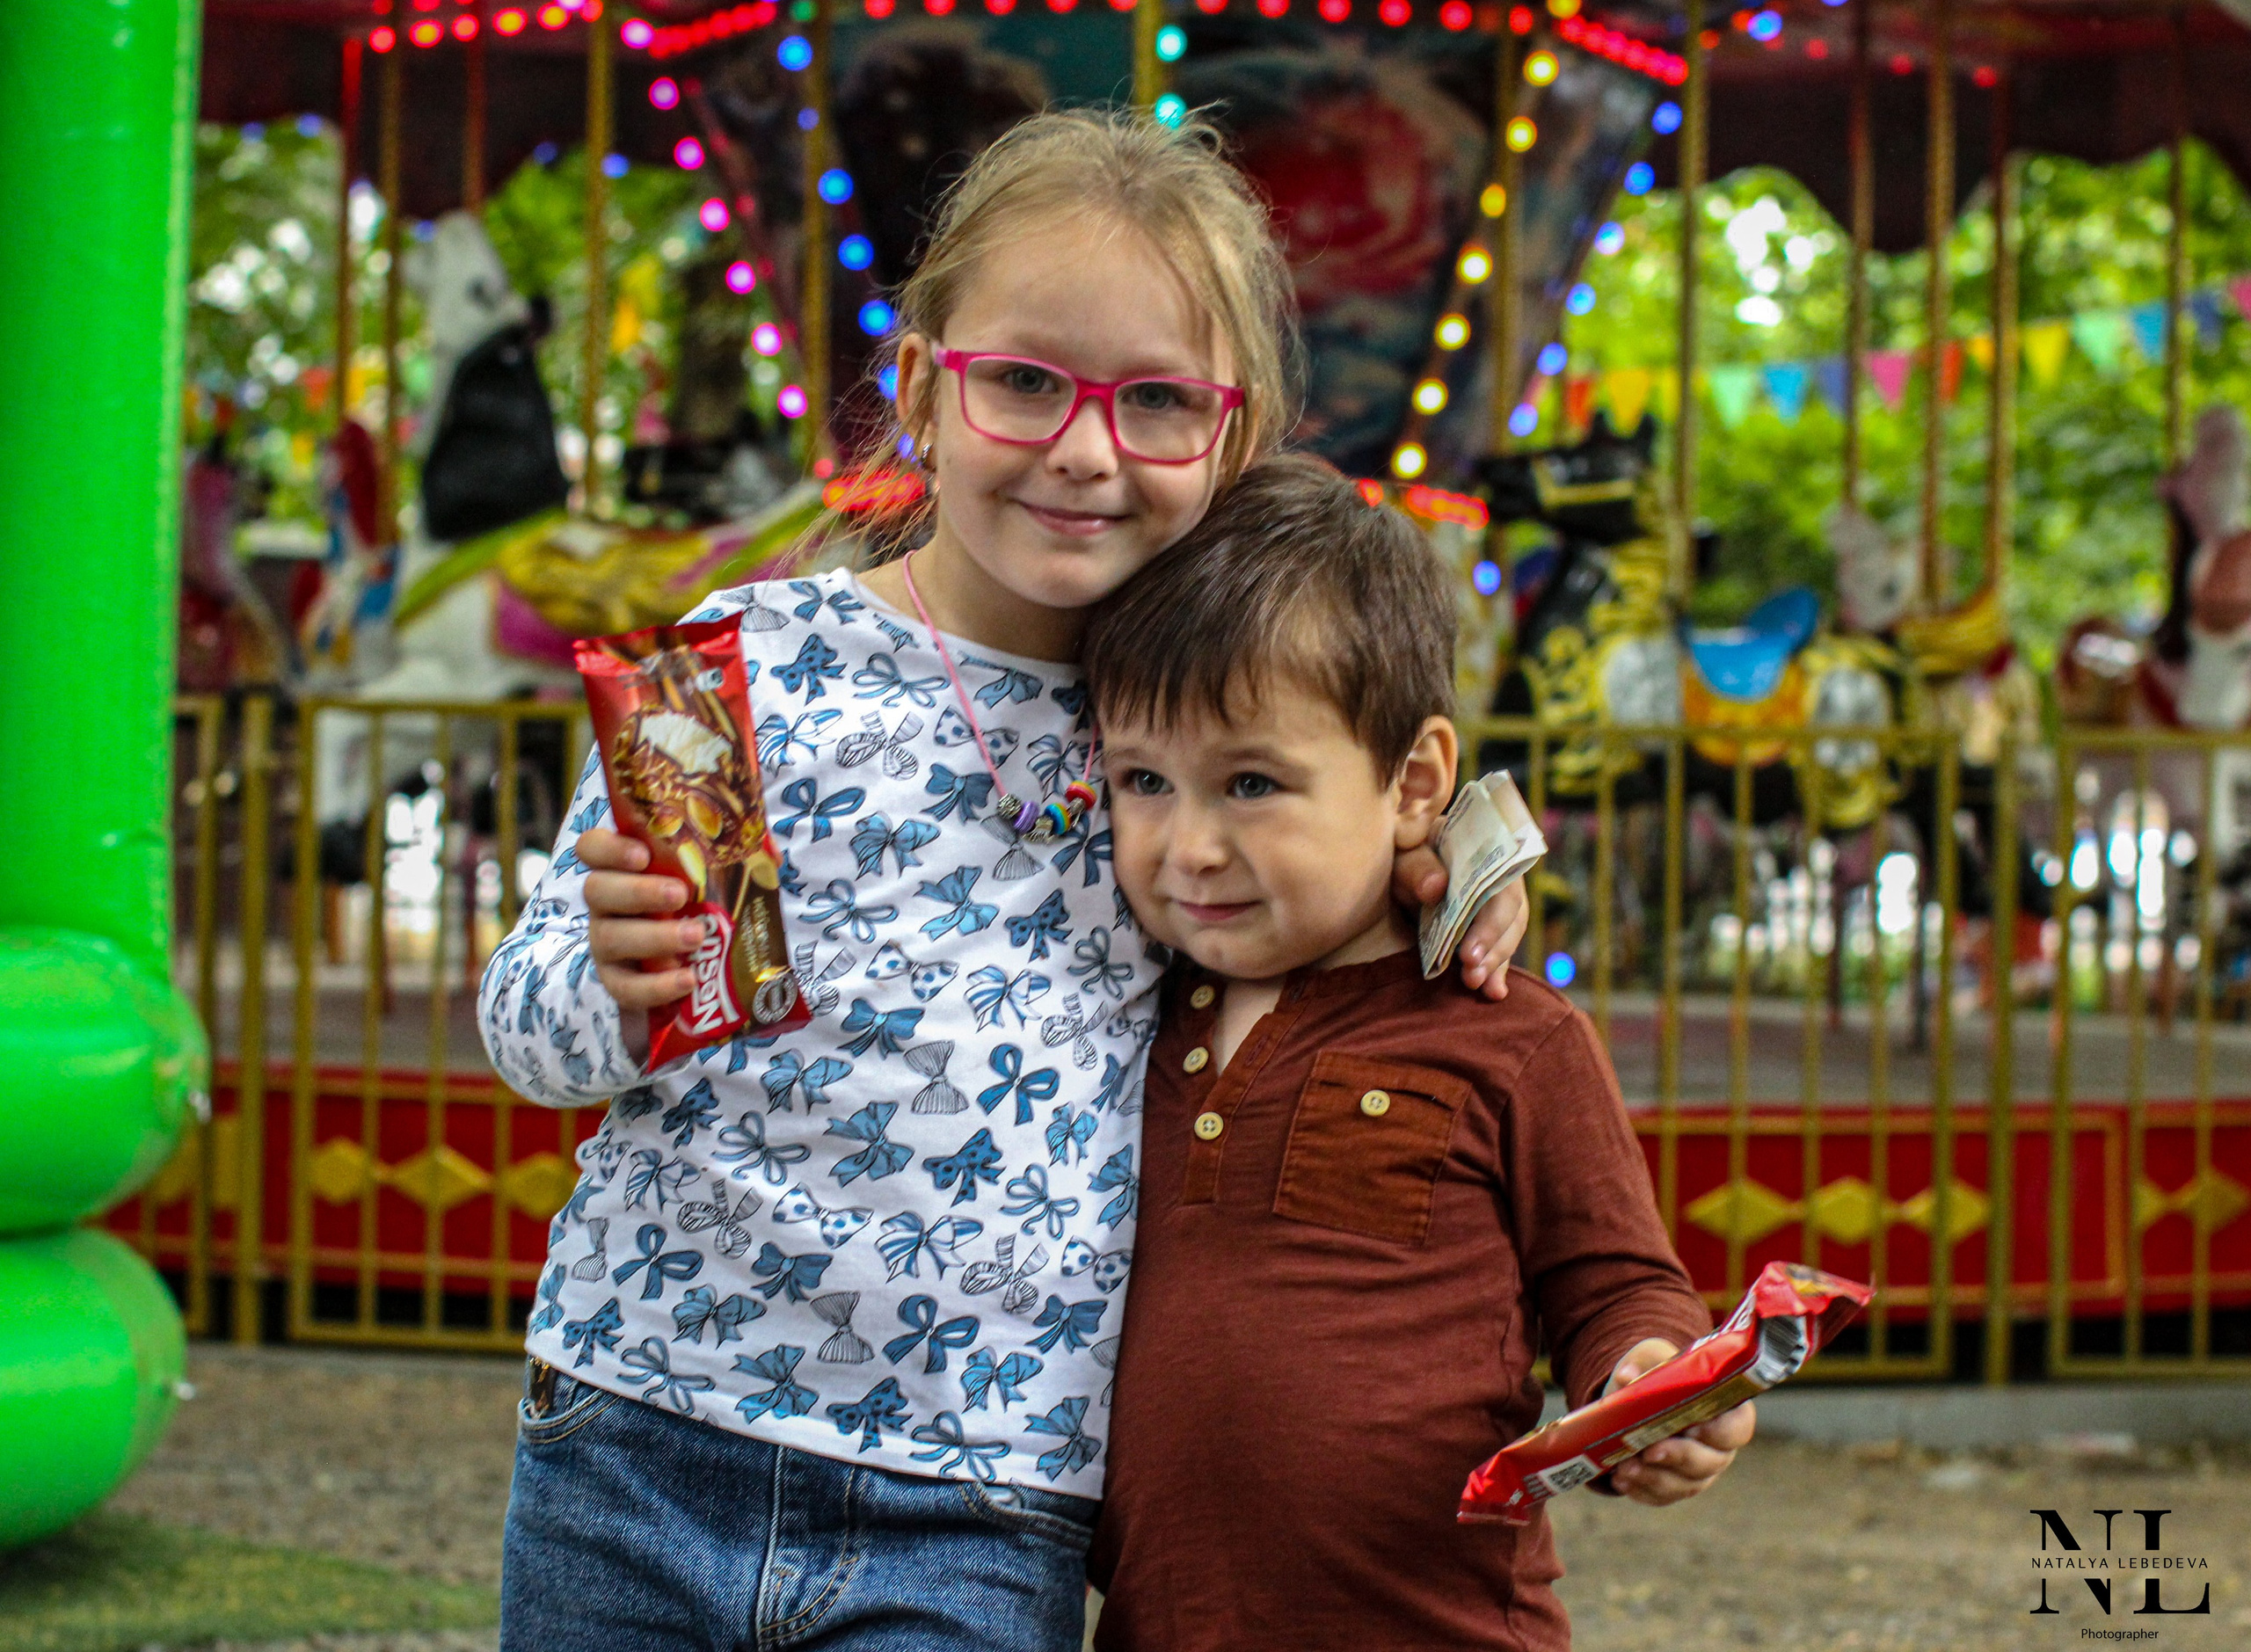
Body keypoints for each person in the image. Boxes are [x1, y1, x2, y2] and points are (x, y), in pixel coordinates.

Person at [477, 112, 1530, 1652]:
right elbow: (523, 1020)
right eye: (1026, 381)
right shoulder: (743, 669)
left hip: (976, 1502)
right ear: (923, 389)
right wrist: (608, 988)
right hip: (637, 1430)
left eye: (1158, 402)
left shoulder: (1212, 743)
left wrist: (1479, 860)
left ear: (1231, 444)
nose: (1085, 450)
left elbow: (1392, 810)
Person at [1082, 454, 1752, 1652]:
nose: (1187, 846)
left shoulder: (1515, 1041)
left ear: (1416, 785)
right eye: (1142, 780)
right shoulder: (1120, 1016)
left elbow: (1616, 1288)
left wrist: (1644, 1383)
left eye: (1250, 782)